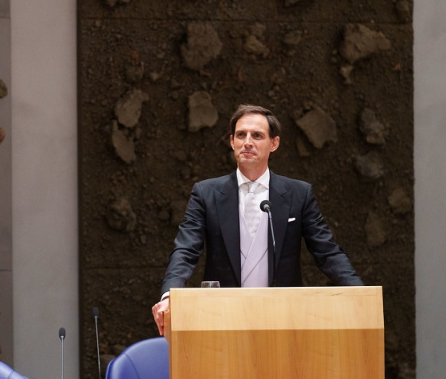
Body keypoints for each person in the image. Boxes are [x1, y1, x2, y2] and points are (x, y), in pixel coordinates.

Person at [151, 104, 363, 335]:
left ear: (274, 143)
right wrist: (169, 294)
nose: (248, 142)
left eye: (257, 135)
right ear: (232, 142)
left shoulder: (298, 194)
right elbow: (185, 250)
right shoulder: (206, 193)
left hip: (282, 318)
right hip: (222, 318)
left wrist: (360, 293)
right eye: (241, 135)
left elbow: (327, 252)